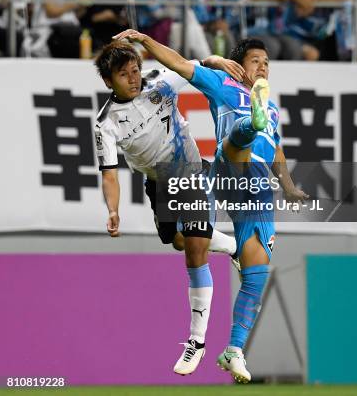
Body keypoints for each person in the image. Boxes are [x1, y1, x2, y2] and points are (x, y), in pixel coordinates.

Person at [113, 30, 308, 382]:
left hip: (258, 189)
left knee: (257, 269)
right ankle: (250, 123)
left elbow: (277, 149)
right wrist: (144, 39)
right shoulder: (223, 82)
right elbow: (178, 64)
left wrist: (290, 186)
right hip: (228, 169)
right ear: (238, 66)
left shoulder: (275, 110)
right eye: (255, 62)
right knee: (236, 149)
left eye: (267, 63)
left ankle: (233, 351)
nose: (262, 67)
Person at [93, 39, 244, 375]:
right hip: (159, 183)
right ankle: (233, 246)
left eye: (135, 70)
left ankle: (197, 341)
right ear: (108, 81)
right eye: (124, 75)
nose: (133, 79)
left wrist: (216, 60)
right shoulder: (106, 123)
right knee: (178, 241)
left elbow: (192, 65)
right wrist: (113, 210)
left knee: (194, 251)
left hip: (189, 171)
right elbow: (109, 174)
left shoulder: (160, 80)